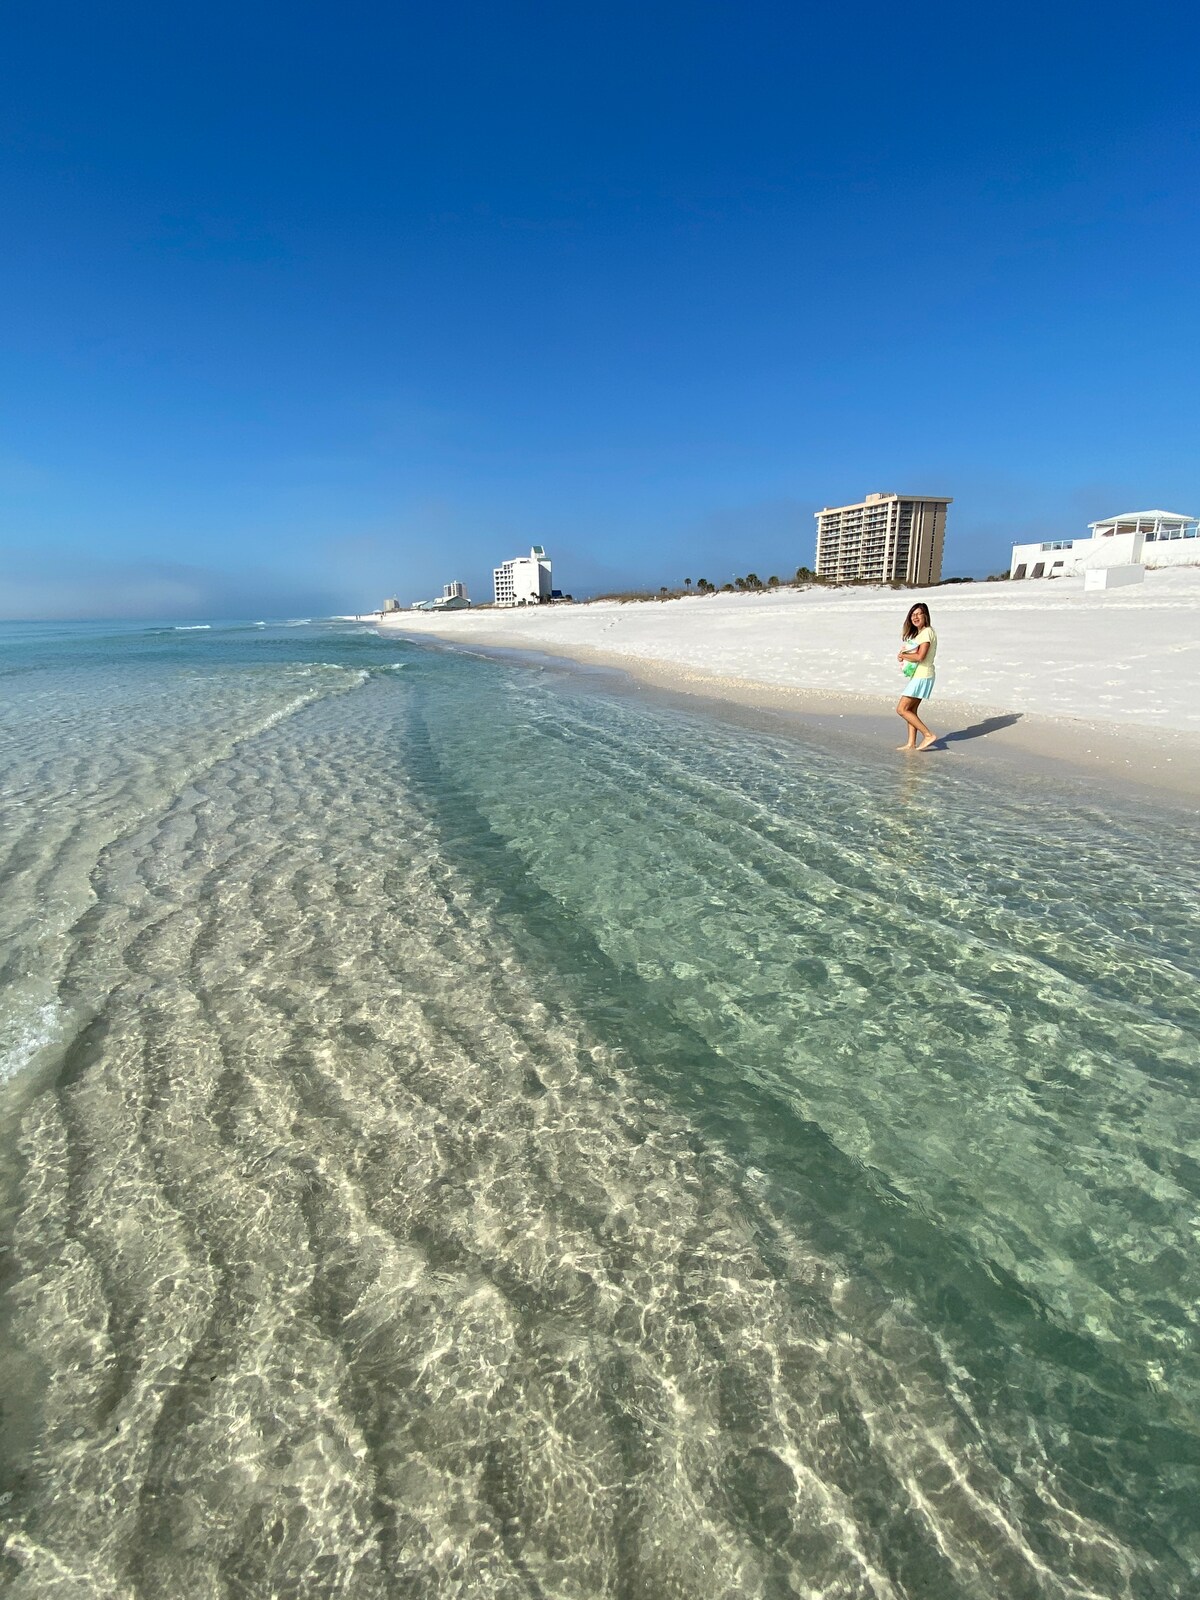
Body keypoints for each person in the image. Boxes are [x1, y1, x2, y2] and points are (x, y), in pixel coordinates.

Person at [896, 602, 938, 751]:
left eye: (919, 614)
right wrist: (905, 655)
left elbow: (920, 656)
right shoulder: (922, 633)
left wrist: (904, 655)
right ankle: (911, 743)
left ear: (925, 616)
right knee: (911, 710)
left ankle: (928, 735)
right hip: (921, 675)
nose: (915, 617)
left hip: (923, 675)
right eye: (913, 615)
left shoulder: (926, 632)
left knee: (901, 709)